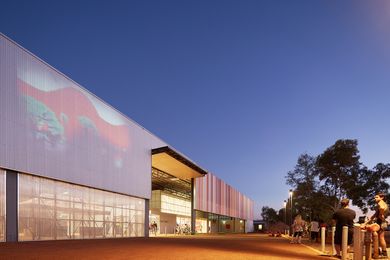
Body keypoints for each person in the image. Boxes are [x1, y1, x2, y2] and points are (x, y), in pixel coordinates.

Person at [361, 192, 389, 258]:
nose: (375, 198)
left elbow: (382, 209)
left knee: (381, 238)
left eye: (377, 197)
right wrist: (365, 223)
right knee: (377, 237)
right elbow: (373, 216)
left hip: (381, 223)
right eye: (375, 197)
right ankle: (378, 251)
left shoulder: (380, 204)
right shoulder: (382, 204)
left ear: (381, 198)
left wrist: (381, 214)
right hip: (381, 222)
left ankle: (384, 254)